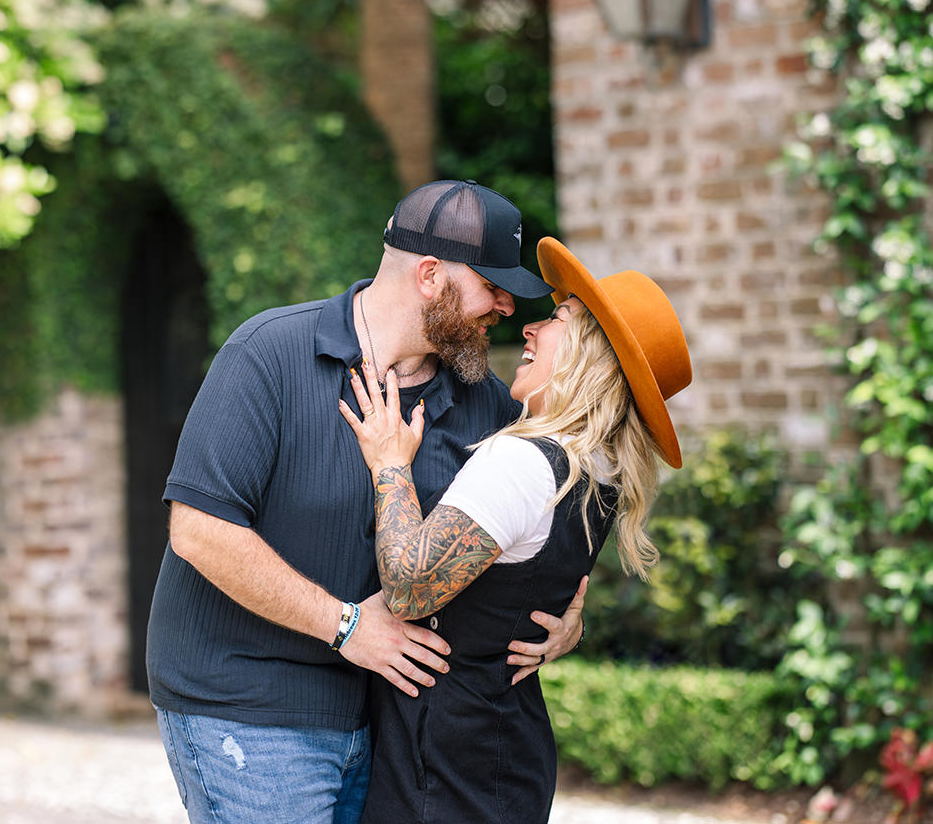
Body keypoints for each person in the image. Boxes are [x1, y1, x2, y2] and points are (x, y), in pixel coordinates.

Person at [146, 181, 588, 824]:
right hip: (249, 702)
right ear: (430, 276)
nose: (505, 306)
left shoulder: (488, 404)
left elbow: (521, 526)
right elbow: (198, 531)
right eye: (491, 286)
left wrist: (559, 618)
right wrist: (346, 625)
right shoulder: (269, 353)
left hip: (389, 722)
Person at [338, 236, 693, 824]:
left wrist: (390, 465)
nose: (529, 328)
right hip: (500, 754)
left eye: (557, 319)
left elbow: (405, 589)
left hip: (450, 772)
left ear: (590, 357)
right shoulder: (596, 471)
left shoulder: (523, 462)